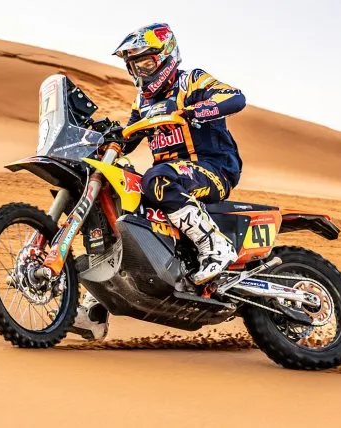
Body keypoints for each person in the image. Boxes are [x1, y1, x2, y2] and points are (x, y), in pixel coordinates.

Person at [68, 23, 246, 340]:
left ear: (166, 57)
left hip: (213, 168)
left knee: (157, 179)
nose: (141, 71)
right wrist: (104, 137)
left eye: (147, 63)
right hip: (169, 179)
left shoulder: (191, 80)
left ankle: (215, 247)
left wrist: (199, 110)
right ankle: (95, 309)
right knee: (121, 202)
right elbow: (128, 138)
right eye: (135, 66)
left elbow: (235, 98)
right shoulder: (143, 103)